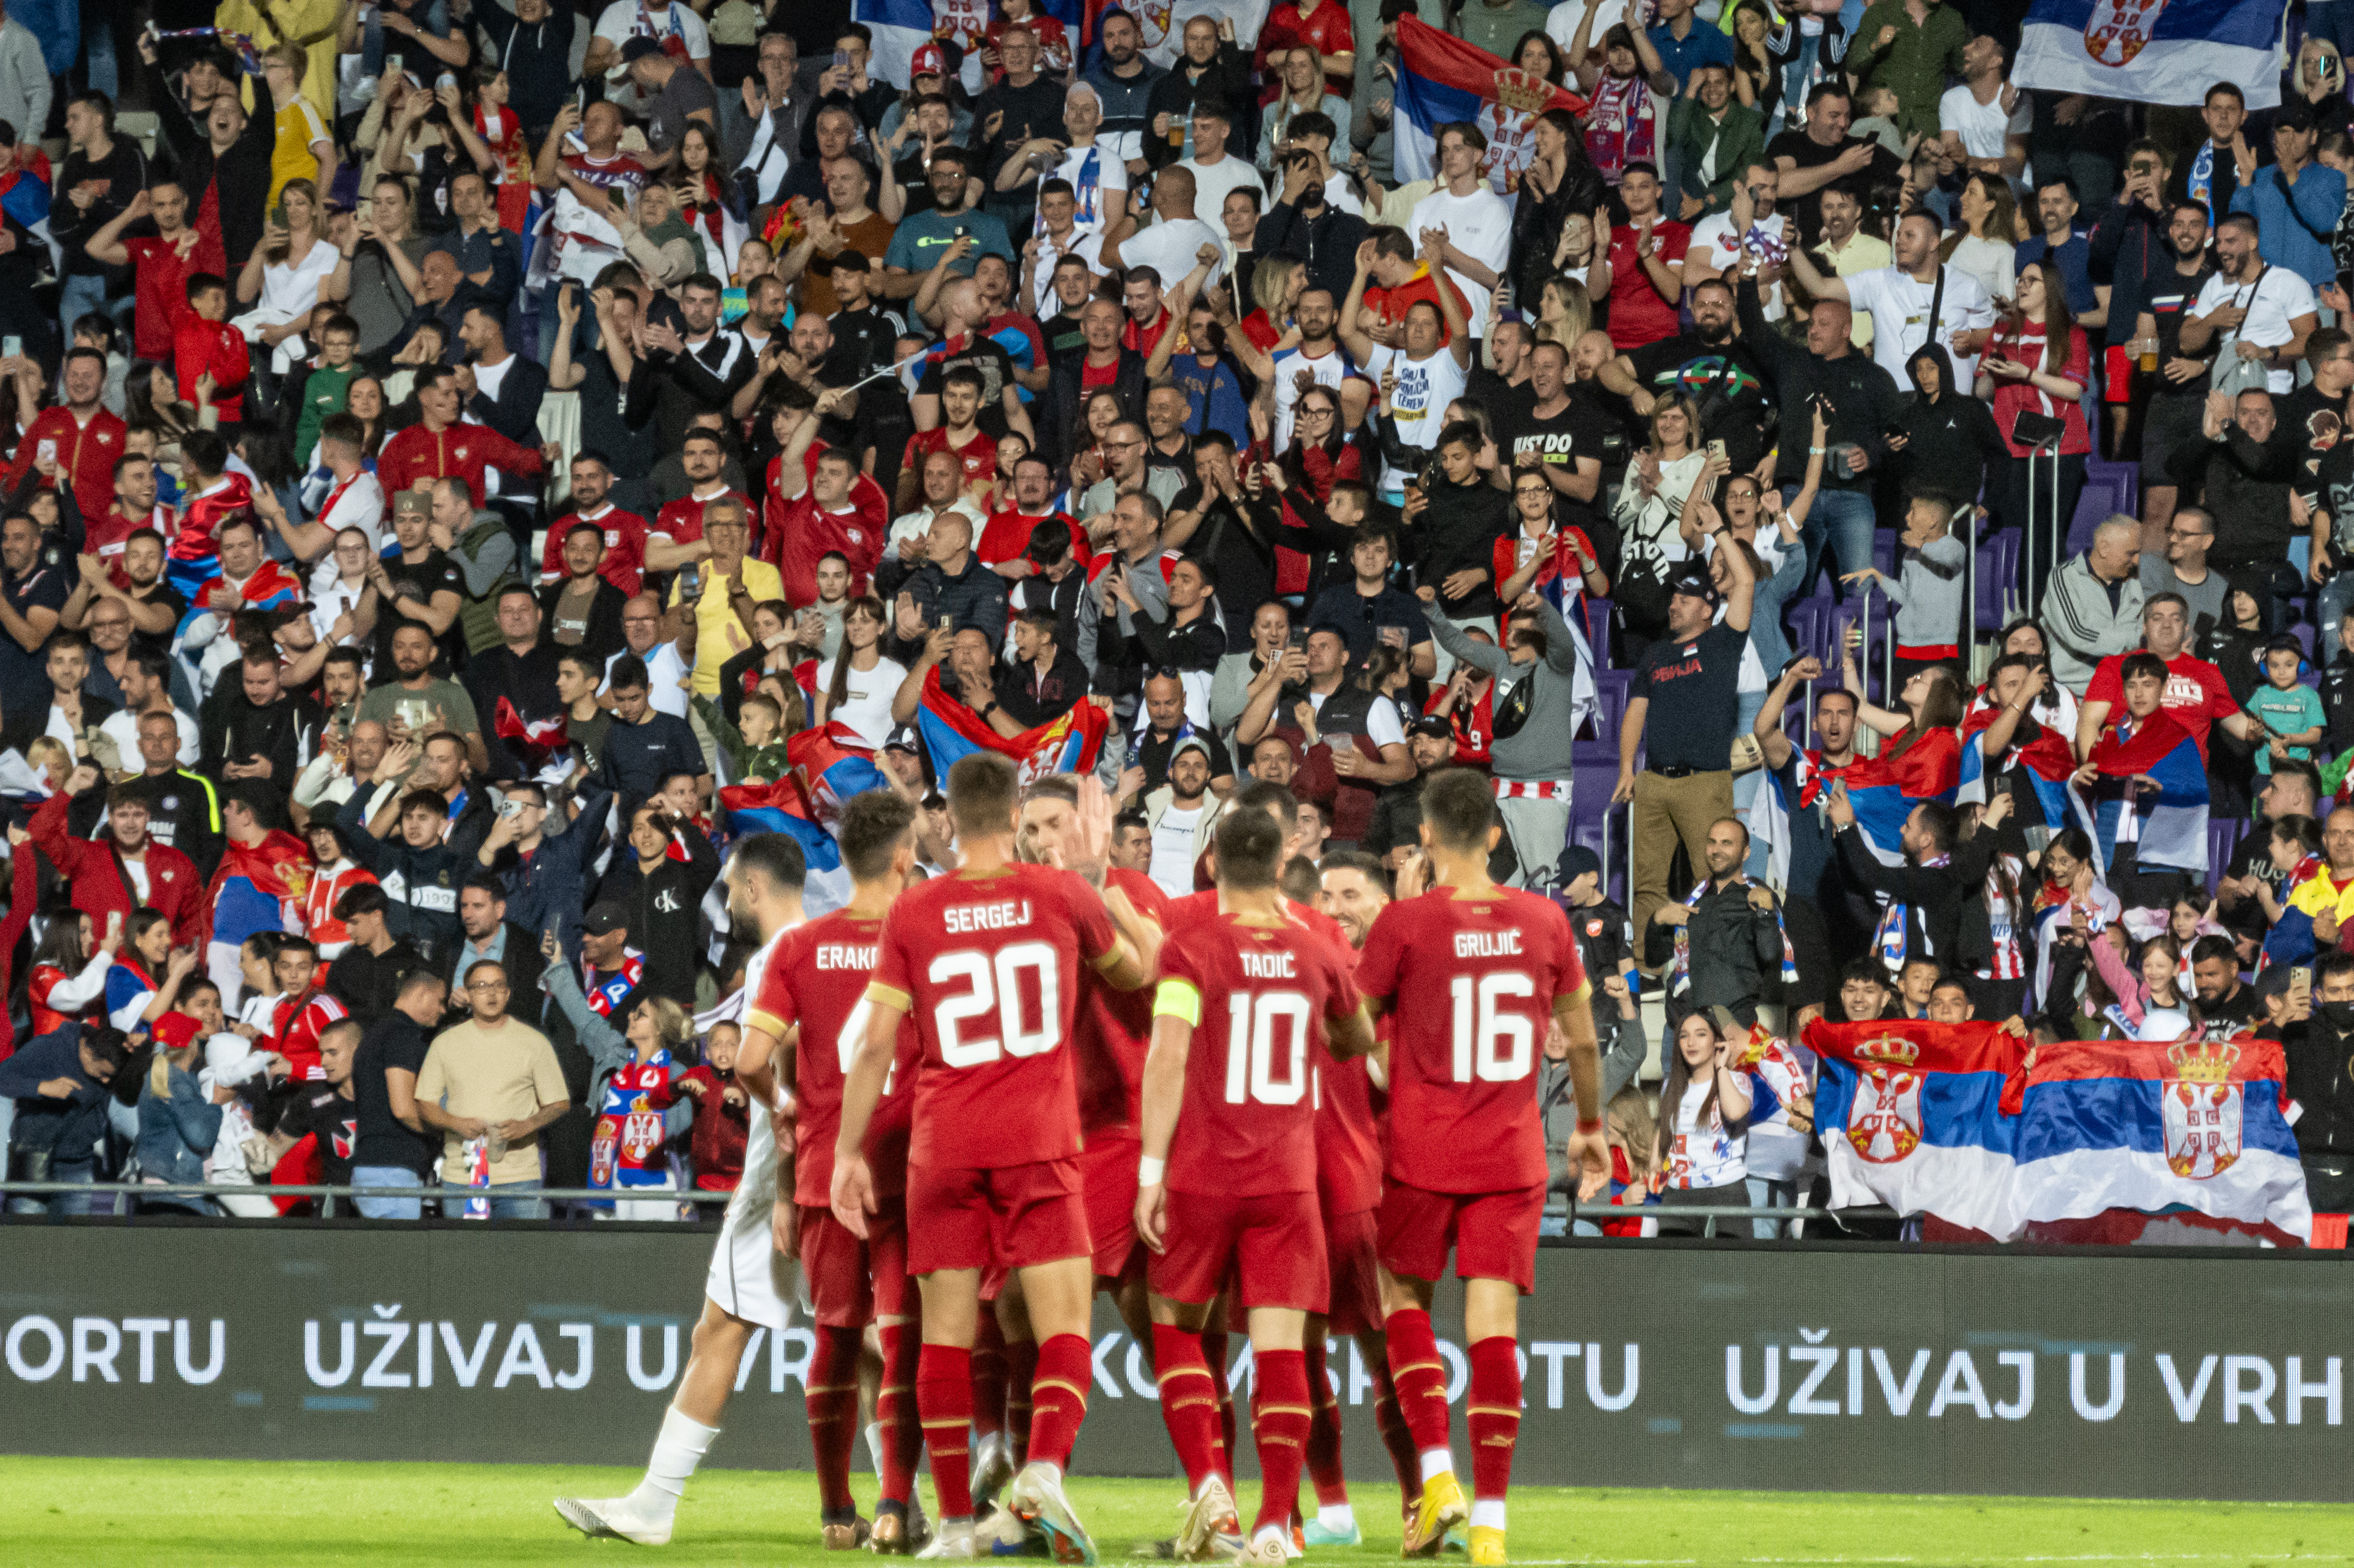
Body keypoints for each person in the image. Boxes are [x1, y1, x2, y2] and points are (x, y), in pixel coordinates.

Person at [831, 758, 1154, 1560]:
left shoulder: (913, 909)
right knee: (1063, 1328)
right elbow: (1140, 971)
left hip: (942, 1146)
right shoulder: (1062, 896)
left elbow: (874, 1043)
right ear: (1014, 816)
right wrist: (1097, 876)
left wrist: (845, 1151)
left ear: (946, 823)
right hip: (1038, 1141)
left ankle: (948, 1527)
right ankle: (1041, 1468)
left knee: (943, 1339)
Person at [1351, 768, 1604, 1561]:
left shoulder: (1403, 924)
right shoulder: (1544, 922)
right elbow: (1587, 1040)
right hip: (1509, 1150)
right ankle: (1490, 1523)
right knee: (1493, 1327)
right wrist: (1591, 1124)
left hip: (1421, 1149)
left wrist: (1382, 1065)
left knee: (1401, 1302)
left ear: (1424, 836)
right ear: (1495, 836)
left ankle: (1436, 1478)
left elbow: (1350, 1027)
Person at [553, 836, 814, 1544]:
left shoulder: (776, 960)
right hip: (837, 1165)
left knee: (721, 1329)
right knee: (866, 1338)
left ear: (754, 888)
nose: (725, 900)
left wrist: (782, 1172)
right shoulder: (837, 947)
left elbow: (772, 1068)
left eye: (729, 887)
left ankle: (653, 1505)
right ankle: (908, 1502)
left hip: (777, 1175)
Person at [1135, 806, 1377, 1564]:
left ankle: (1210, 1485)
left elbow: (1168, 1055)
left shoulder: (1189, 947)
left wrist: (1150, 1170)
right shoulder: (1315, 950)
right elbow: (1358, 1036)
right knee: (1282, 1353)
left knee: (1174, 1325)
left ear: (1209, 864)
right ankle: (1275, 1524)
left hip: (1205, 1174)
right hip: (1286, 1180)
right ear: (1280, 869)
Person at [1615, 543, 1755, 948]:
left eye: (1684, 598)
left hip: (1703, 781)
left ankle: (1711, 964)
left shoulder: (1722, 642)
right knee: (1647, 884)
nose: (1673, 604)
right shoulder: (1655, 653)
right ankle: (1645, 966)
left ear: (1707, 608)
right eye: (1673, 598)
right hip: (1654, 781)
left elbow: (1745, 580)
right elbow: (1635, 711)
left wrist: (1717, 530)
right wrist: (1627, 767)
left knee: (1711, 879)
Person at [414, 956, 569, 1220]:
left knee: (521, 1259)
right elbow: (424, 1104)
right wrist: (455, 1122)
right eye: (482, 986)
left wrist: (527, 1126)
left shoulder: (534, 1042)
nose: (492, 993)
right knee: (466, 1259)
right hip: (462, 1177)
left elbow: (559, 1103)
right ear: (468, 995)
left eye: (498, 986)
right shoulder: (445, 1043)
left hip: (519, 1178)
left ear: (508, 994)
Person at [347, 969, 447, 1220]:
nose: (443, 1010)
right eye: (440, 1001)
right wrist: (445, 1131)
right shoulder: (401, 1035)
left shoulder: (377, 1034)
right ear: (423, 995)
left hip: (377, 1167)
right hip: (391, 1171)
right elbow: (402, 1108)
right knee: (397, 1256)